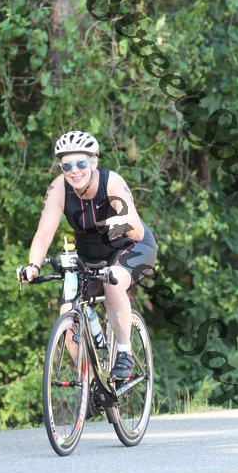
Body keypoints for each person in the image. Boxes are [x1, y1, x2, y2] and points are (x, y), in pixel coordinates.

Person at [16, 130, 157, 380]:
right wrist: (33, 266)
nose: (74, 171)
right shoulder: (59, 188)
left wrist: (114, 223)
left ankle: (124, 352)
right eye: (66, 165)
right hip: (91, 256)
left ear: (93, 162)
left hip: (132, 248)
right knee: (67, 311)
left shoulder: (111, 183)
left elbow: (136, 230)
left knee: (113, 281)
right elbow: (44, 233)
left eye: (81, 164)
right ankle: (91, 385)